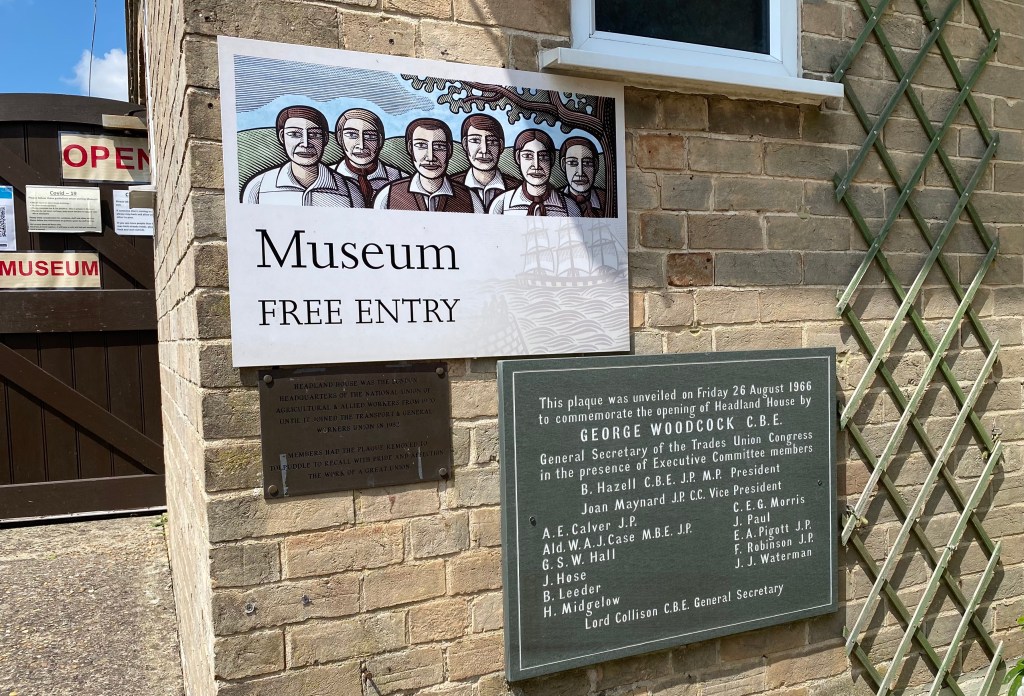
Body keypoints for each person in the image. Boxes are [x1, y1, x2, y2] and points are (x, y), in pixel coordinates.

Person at [241, 105, 364, 207]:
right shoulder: (258, 186)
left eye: (314, 135)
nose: (305, 143)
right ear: (282, 136)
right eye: (294, 134)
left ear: (325, 139)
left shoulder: (350, 190)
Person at [374, 118, 481, 213]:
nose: (430, 157)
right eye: (421, 145)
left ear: (449, 151)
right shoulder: (388, 195)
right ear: (410, 149)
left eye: (439, 146)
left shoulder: (470, 198)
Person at [488, 129, 581, 217]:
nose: (536, 165)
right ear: (518, 158)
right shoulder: (502, 203)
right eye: (528, 156)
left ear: (551, 159)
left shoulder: (570, 206)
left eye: (543, 157)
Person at [333, 108, 403, 207]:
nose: (361, 145)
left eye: (370, 136)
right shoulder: (328, 176)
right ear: (340, 138)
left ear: (380, 140)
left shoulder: (399, 178)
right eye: (352, 135)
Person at [460, 114, 517, 210]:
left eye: (492, 142)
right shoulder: (453, 186)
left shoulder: (516, 189)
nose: (484, 150)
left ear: (501, 146)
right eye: (475, 140)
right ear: (465, 144)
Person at [559, 136, 606, 217]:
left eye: (587, 163)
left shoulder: (606, 200)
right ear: (563, 165)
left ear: (596, 166)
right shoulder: (555, 199)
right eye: (572, 163)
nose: (580, 172)